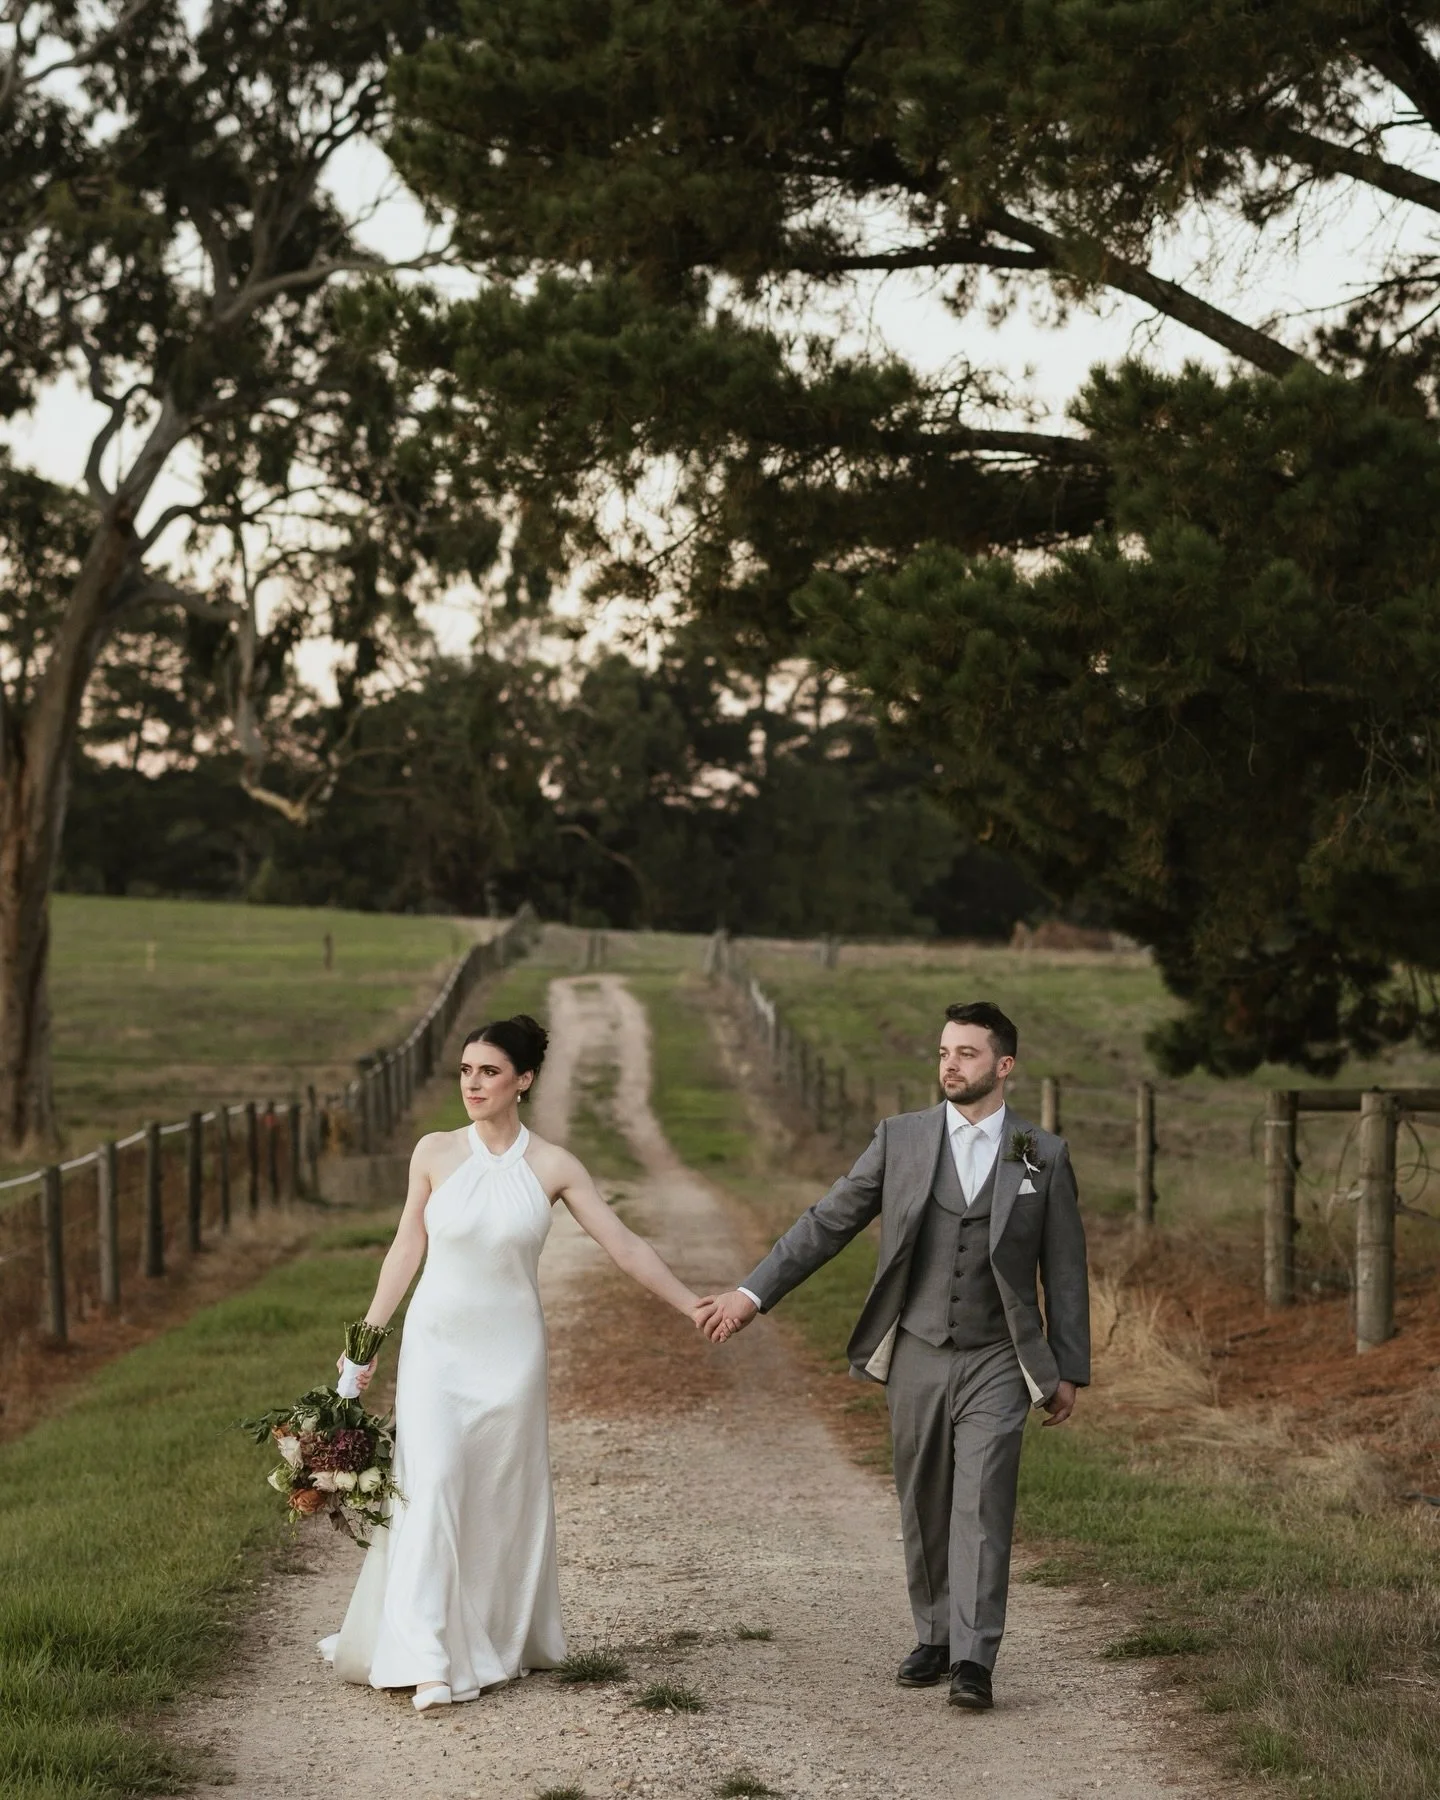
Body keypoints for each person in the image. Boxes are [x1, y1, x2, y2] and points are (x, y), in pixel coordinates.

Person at [696, 1001, 1089, 1711]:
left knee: (983, 1501)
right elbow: (828, 1222)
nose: (949, 1065)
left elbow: (1064, 1270)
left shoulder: (1042, 1153)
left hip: (998, 1356)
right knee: (923, 1496)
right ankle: (934, 1635)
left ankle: (974, 1658)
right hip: (916, 1348)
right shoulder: (901, 1139)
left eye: (966, 1053)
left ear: (1004, 1066)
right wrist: (752, 1294)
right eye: (943, 1052)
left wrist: (1066, 1368)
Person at [320, 1013, 705, 1712]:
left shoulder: (554, 1166)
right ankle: (427, 1657)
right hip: (437, 1350)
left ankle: (494, 1632)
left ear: (523, 1081)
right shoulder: (434, 1152)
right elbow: (406, 1247)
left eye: (490, 1072)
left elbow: (623, 1245)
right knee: (434, 1482)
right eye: (466, 1071)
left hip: (511, 1356)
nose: (473, 1084)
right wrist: (365, 1341)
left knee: (497, 1497)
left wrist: (692, 1305)